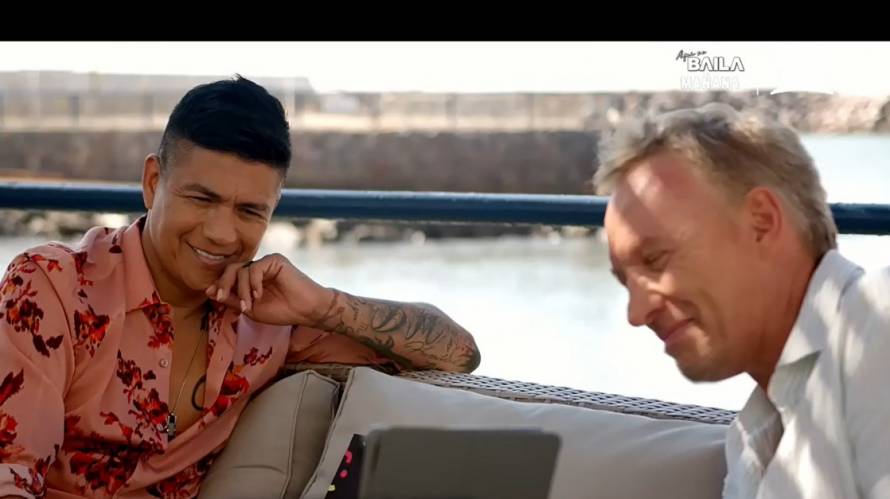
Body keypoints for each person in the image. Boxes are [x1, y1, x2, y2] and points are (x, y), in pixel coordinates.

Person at [0, 75, 481, 498]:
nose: (221, 234)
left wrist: (322, 305)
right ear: (152, 182)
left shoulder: (269, 317)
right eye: (200, 198)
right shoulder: (53, 288)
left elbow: (458, 354)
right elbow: (10, 473)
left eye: (249, 211)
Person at [594, 103, 890, 498]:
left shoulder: (876, 324)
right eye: (625, 282)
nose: (637, 312)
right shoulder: (754, 436)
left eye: (656, 259)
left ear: (762, 221)